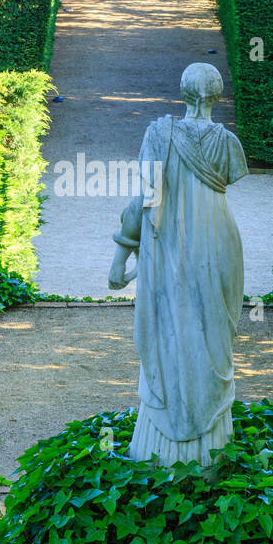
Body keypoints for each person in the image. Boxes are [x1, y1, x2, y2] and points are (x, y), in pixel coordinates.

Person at [108, 63, 248, 469]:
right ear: (217, 96)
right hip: (217, 245)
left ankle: (162, 453)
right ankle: (209, 454)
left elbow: (145, 201)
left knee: (170, 335)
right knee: (211, 341)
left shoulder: (158, 134)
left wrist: (121, 253)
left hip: (170, 246)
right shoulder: (228, 144)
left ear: (184, 94)